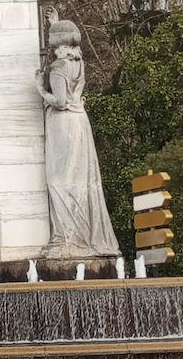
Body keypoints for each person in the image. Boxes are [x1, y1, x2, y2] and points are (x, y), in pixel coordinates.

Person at [35, 20, 120, 259]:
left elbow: (60, 102)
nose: (53, 51)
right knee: (78, 180)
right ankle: (78, 236)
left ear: (60, 46)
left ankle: (68, 238)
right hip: (80, 122)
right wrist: (57, 23)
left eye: (54, 46)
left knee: (58, 181)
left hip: (63, 123)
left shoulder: (59, 66)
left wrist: (40, 90)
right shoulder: (78, 63)